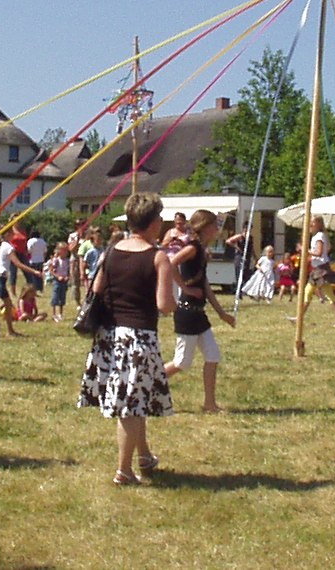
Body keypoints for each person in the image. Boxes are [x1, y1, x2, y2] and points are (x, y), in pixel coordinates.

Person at [77, 192, 176, 485]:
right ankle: (124, 470)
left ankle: (144, 456)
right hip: (138, 337)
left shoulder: (111, 251)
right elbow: (164, 305)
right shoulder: (158, 257)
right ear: (153, 222)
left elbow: (96, 288)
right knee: (131, 406)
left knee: (135, 398)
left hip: (109, 335)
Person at [165, 210, 237, 413]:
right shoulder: (192, 248)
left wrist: (222, 313)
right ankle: (146, 383)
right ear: (204, 227)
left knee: (213, 356)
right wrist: (185, 289)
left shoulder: (202, 250)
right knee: (181, 362)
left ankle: (209, 404)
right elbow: (170, 264)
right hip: (187, 313)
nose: (217, 228)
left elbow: (204, 284)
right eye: (214, 225)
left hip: (199, 313)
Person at [0, 222, 42, 338]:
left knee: (5, 306)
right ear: (8, 234)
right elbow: (18, 264)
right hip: (0, 278)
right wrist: (34, 271)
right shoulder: (8, 247)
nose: (14, 235)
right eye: (12, 234)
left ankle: (10, 331)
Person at [305, 215, 335, 326]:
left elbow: (319, 252)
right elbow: (327, 248)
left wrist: (307, 251)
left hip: (321, 270)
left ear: (319, 224)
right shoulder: (318, 236)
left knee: (328, 294)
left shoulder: (319, 236)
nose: (310, 224)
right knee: (308, 292)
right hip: (318, 268)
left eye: (313, 222)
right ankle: (299, 317)